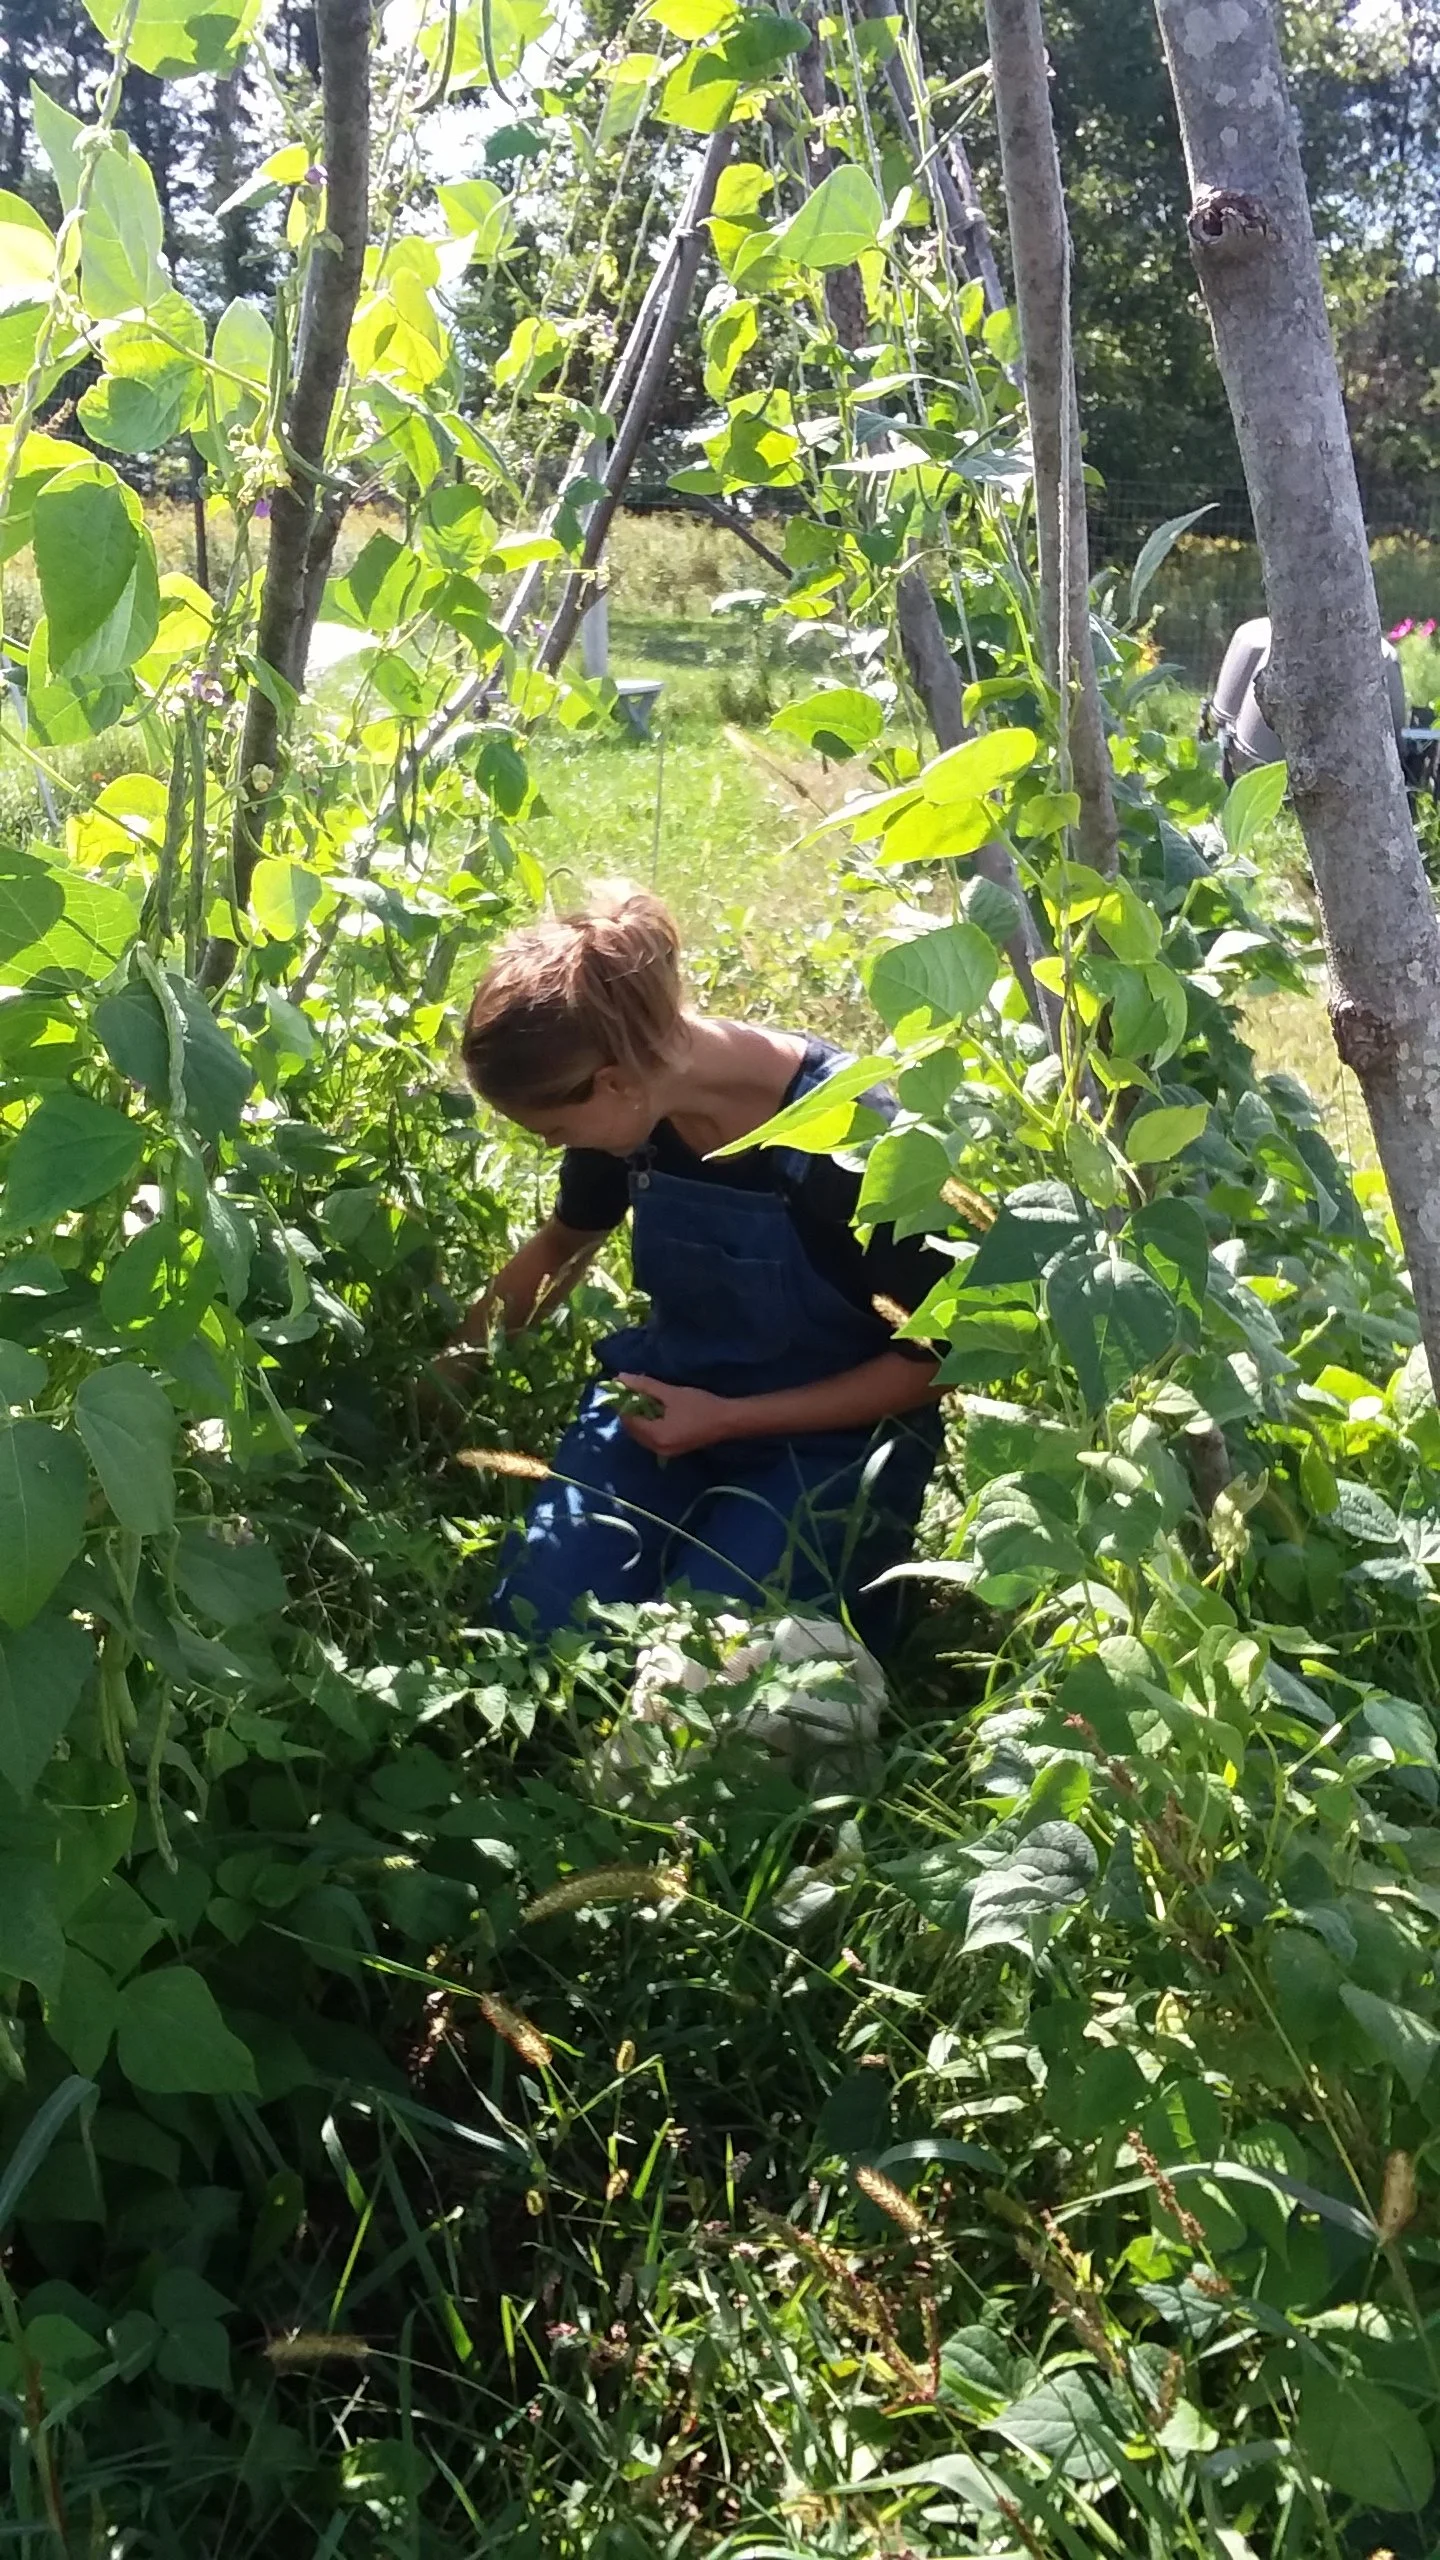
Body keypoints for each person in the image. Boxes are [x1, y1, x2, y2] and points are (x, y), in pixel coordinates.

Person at [440, 883, 950, 1643]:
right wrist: (449, 1372)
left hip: (833, 1441)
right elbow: (563, 1243)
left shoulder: (853, 1137)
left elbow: (939, 1355)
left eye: (551, 1128)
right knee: (538, 1630)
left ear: (612, 1082)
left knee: (711, 1664)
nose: (551, 1145)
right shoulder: (630, 1114)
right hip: (666, 1404)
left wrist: (731, 1419)